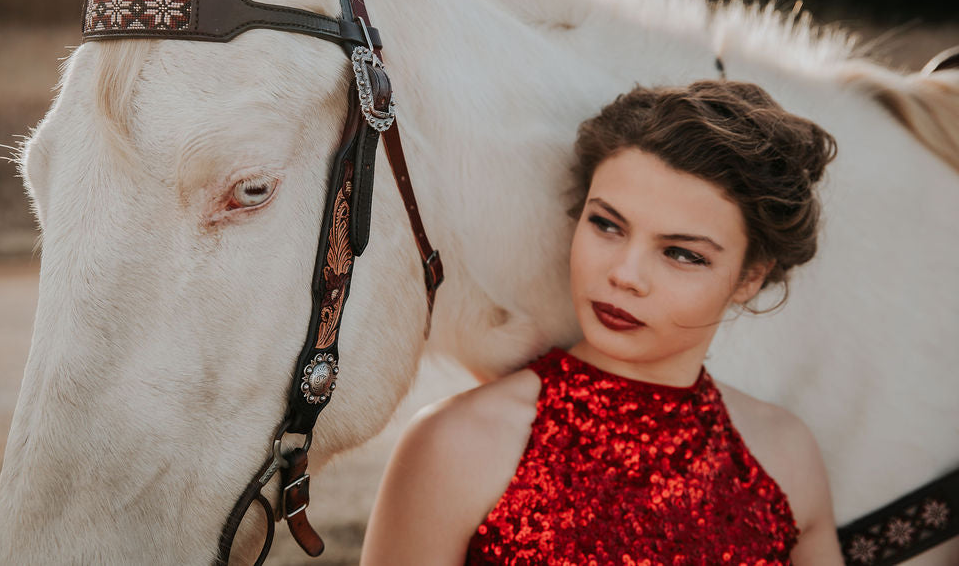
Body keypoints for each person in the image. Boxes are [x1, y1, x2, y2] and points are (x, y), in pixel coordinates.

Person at [360, 81, 844, 565]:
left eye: (681, 253)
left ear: (749, 278)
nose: (623, 275)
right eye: (607, 225)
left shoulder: (785, 455)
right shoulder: (456, 444)